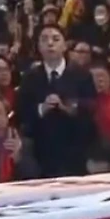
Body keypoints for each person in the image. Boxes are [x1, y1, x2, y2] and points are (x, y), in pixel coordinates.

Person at [17, 24, 96, 177]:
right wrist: (42, 108)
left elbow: (92, 106)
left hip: (74, 149)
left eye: (55, 39)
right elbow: (22, 111)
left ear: (65, 45)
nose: (50, 43)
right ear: (38, 47)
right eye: (44, 39)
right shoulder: (30, 77)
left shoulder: (82, 75)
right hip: (41, 151)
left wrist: (71, 108)